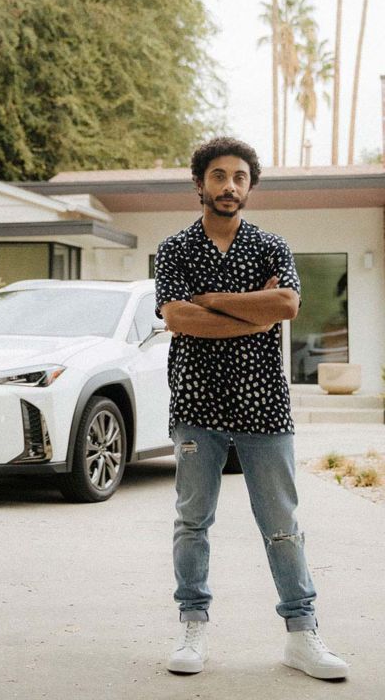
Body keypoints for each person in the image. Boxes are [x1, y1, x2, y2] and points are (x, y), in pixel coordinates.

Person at [154, 136, 349, 681]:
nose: (229, 186)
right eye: (218, 176)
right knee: (192, 521)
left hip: (265, 403)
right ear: (200, 183)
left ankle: (301, 635)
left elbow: (286, 304)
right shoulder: (175, 250)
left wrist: (212, 300)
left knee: (282, 524)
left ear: (249, 187)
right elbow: (176, 318)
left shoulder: (270, 245)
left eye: (239, 177)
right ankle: (192, 626)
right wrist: (252, 315)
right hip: (197, 400)